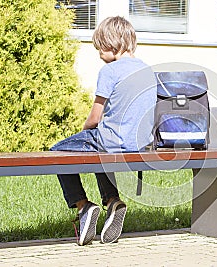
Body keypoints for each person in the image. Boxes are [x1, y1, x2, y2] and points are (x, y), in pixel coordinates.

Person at [50, 16, 157, 246]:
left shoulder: (109, 71)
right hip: (138, 144)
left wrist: (84, 129)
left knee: (56, 152)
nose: (99, 53)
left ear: (113, 44)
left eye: (100, 48)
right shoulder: (148, 70)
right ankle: (111, 200)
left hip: (110, 141)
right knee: (100, 152)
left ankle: (83, 206)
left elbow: (95, 117)